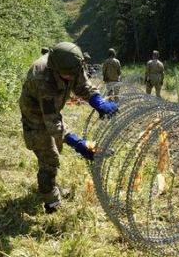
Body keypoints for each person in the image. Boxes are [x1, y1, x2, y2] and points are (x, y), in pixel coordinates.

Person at [19, 42, 118, 213]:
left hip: (51, 111)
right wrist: (77, 142)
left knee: (56, 147)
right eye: (68, 76)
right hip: (35, 116)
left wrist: (98, 101)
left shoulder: (72, 64)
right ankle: (50, 200)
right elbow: (53, 122)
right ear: (56, 69)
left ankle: (52, 185)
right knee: (49, 157)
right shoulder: (42, 78)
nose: (72, 78)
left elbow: (82, 85)